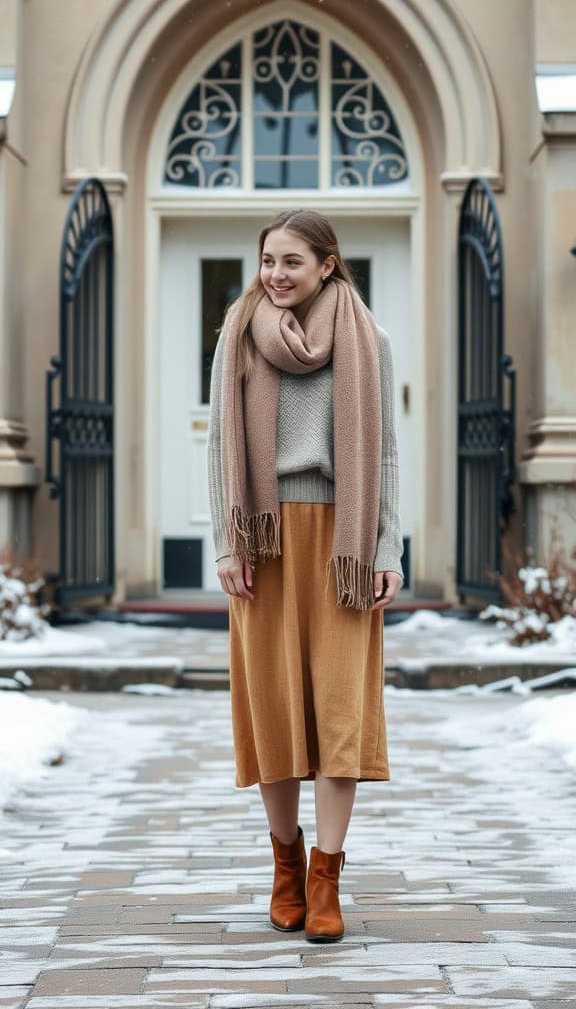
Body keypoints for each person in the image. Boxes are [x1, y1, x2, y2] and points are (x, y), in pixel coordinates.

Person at [207, 208, 404, 943]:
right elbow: (220, 449)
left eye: (292, 262)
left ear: (328, 264)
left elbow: (384, 454)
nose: (276, 275)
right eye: (268, 262)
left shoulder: (367, 339)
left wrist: (386, 549)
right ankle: (284, 866)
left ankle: (326, 876)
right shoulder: (239, 334)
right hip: (264, 541)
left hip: (341, 543)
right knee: (277, 706)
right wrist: (229, 545)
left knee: (339, 709)